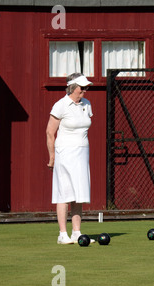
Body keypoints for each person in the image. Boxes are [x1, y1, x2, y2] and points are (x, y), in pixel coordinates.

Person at [46, 73, 95, 244]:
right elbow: (50, 133)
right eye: (82, 87)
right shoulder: (60, 105)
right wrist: (52, 157)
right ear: (72, 87)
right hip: (65, 153)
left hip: (82, 152)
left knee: (78, 194)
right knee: (64, 193)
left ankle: (76, 232)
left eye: (86, 87)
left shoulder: (86, 104)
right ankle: (62, 234)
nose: (85, 90)